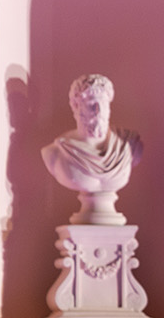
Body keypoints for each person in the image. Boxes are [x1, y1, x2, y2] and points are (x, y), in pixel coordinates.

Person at [41, 73, 142, 225]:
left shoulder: (128, 145)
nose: (99, 111)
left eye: (104, 104)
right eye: (92, 104)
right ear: (76, 107)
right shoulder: (55, 153)